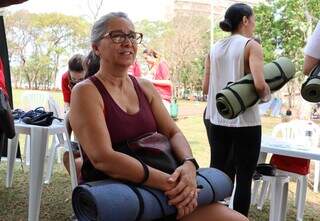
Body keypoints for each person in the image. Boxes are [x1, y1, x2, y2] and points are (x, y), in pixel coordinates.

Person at [70, 12, 248, 221]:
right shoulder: (86, 92)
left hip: (167, 189)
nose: (128, 42)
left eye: (132, 36)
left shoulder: (144, 87)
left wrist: (189, 165)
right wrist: (171, 184)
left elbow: (173, 132)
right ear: (96, 47)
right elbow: (103, 159)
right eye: (117, 36)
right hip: (125, 198)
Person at [202, 3, 270, 217]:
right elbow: (259, 85)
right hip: (245, 122)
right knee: (244, 177)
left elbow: (206, 89)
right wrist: (267, 93)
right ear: (244, 20)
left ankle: (214, 216)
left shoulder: (214, 48)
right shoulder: (251, 45)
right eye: (254, 19)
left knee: (218, 173)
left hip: (216, 119)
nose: (254, 24)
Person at [143, 48, 173, 112]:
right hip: (156, 98)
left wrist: (151, 81)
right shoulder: (153, 67)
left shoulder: (162, 64)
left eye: (146, 58)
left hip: (163, 98)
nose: (146, 60)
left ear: (151, 55)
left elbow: (168, 82)